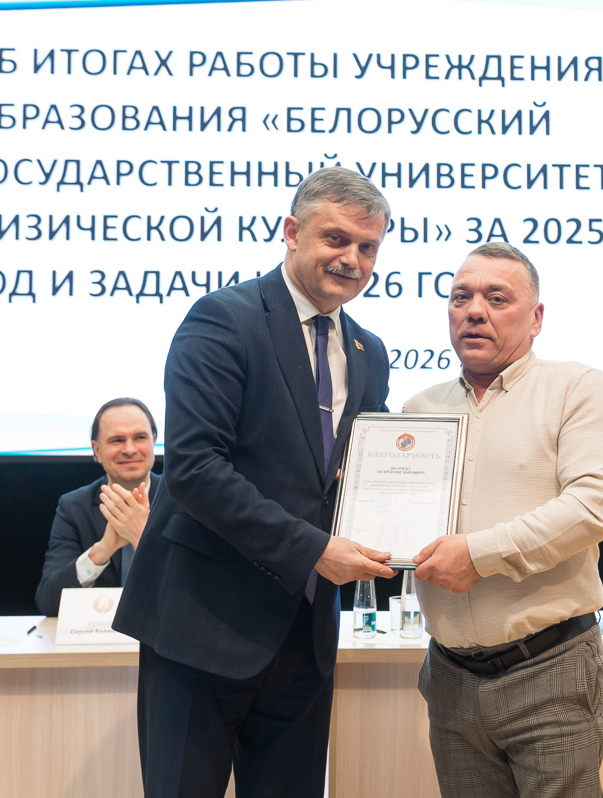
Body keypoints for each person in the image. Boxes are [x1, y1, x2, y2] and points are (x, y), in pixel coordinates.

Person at [113, 167, 397, 798]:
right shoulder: (223, 319)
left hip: (305, 638)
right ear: (292, 232)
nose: (352, 259)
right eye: (336, 239)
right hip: (203, 626)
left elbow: (359, 474)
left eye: (368, 246)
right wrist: (316, 550)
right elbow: (195, 469)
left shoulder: (368, 351)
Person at [407, 242, 603, 798]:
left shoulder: (575, 386)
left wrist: (478, 555)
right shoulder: (418, 411)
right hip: (450, 677)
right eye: (460, 297)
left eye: (497, 298)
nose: (474, 311)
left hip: (549, 669)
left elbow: (596, 504)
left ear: (536, 318)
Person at [35, 398, 161, 616]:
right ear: (97, 450)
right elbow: (48, 601)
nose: (130, 449)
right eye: (117, 440)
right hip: (100, 634)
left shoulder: (184, 501)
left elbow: (200, 596)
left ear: (154, 441)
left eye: (140, 437)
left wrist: (141, 539)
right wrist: (102, 550)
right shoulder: (74, 507)